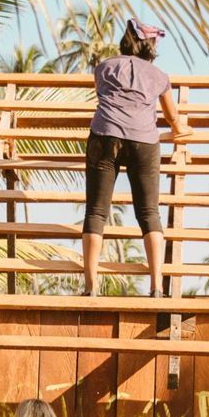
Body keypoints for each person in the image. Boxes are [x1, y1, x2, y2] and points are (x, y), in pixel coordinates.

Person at [82, 18, 194, 298]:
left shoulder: (104, 68)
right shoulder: (159, 76)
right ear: (150, 45)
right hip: (144, 141)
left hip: (105, 135)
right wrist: (183, 130)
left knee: (96, 212)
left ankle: (90, 286)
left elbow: (106, 97)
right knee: (149, 213)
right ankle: (157, 286)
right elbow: (172, 118)